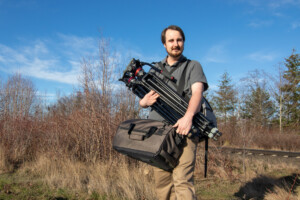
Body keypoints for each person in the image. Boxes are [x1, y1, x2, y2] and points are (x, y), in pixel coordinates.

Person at [139, 25, 208, 200]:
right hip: (158, 133)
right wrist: (143, 103)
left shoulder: (193, 66)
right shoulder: (154, 68)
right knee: (162, 184)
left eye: (179, 40)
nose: (175, 44)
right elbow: (143, 97)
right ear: (164, 44)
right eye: (171, 40)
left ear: (183, 42)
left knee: (182, 181)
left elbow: (197, 93)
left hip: (184, 129)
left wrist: (188, 117)